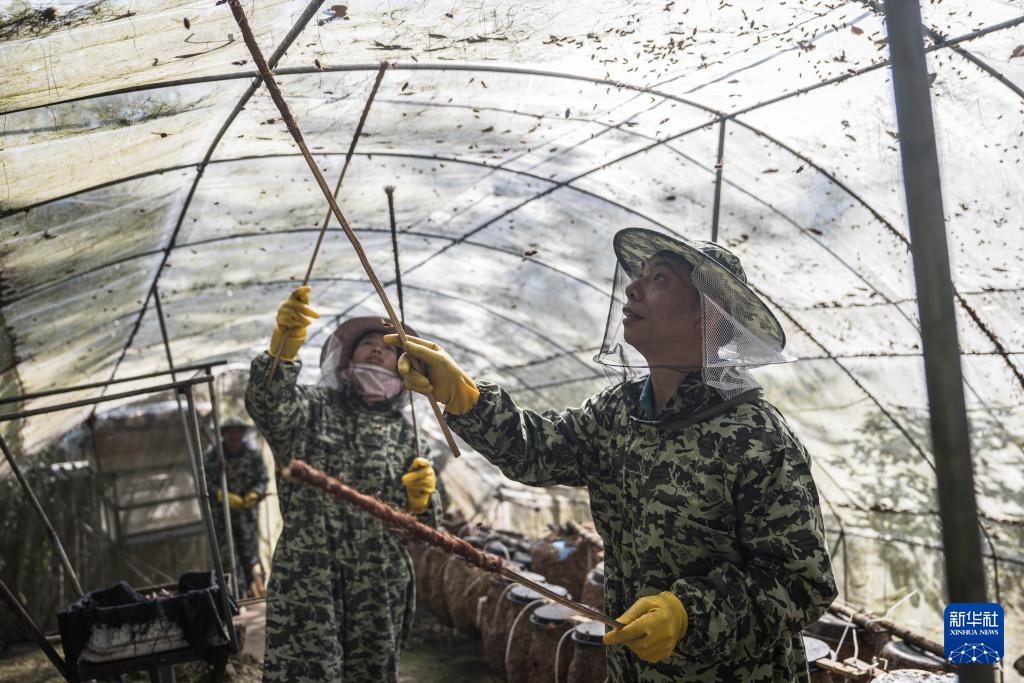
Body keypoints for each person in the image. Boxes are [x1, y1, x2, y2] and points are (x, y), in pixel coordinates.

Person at [385, 228, 838, 682]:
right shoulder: (619, 411)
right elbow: (537, 451)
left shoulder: (756, 436)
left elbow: (802, 582)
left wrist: (688, 614)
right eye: (639, 276)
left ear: (710, 317)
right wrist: (464, 396)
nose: (632, 288)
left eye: (659, 279)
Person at [245, 285, 440, 683]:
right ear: (344, 357)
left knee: (372, 673)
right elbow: (267, 404)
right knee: (305, 672)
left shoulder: (407, 434)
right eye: (367, 344)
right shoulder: (311, 408)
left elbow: (427, 529)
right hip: (311, 574)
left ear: (401, 368)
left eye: (388, 349)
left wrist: (422, 503)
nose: (377, 350)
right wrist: (280, 356)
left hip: (379, 578)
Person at [203, 415, 267, 599]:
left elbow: (263, 479)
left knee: (250, 555)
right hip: (223, 516)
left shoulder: (253, 455)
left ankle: (252, 590)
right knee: (229, 557)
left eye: (237, 432)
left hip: (247, 515)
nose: (233, 436)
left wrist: (255, 493)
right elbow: (204, 481)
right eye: (229, 432)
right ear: (223, 434)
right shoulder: (213, 456)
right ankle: (236, 596)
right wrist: (220, 495)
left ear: (243, 433)